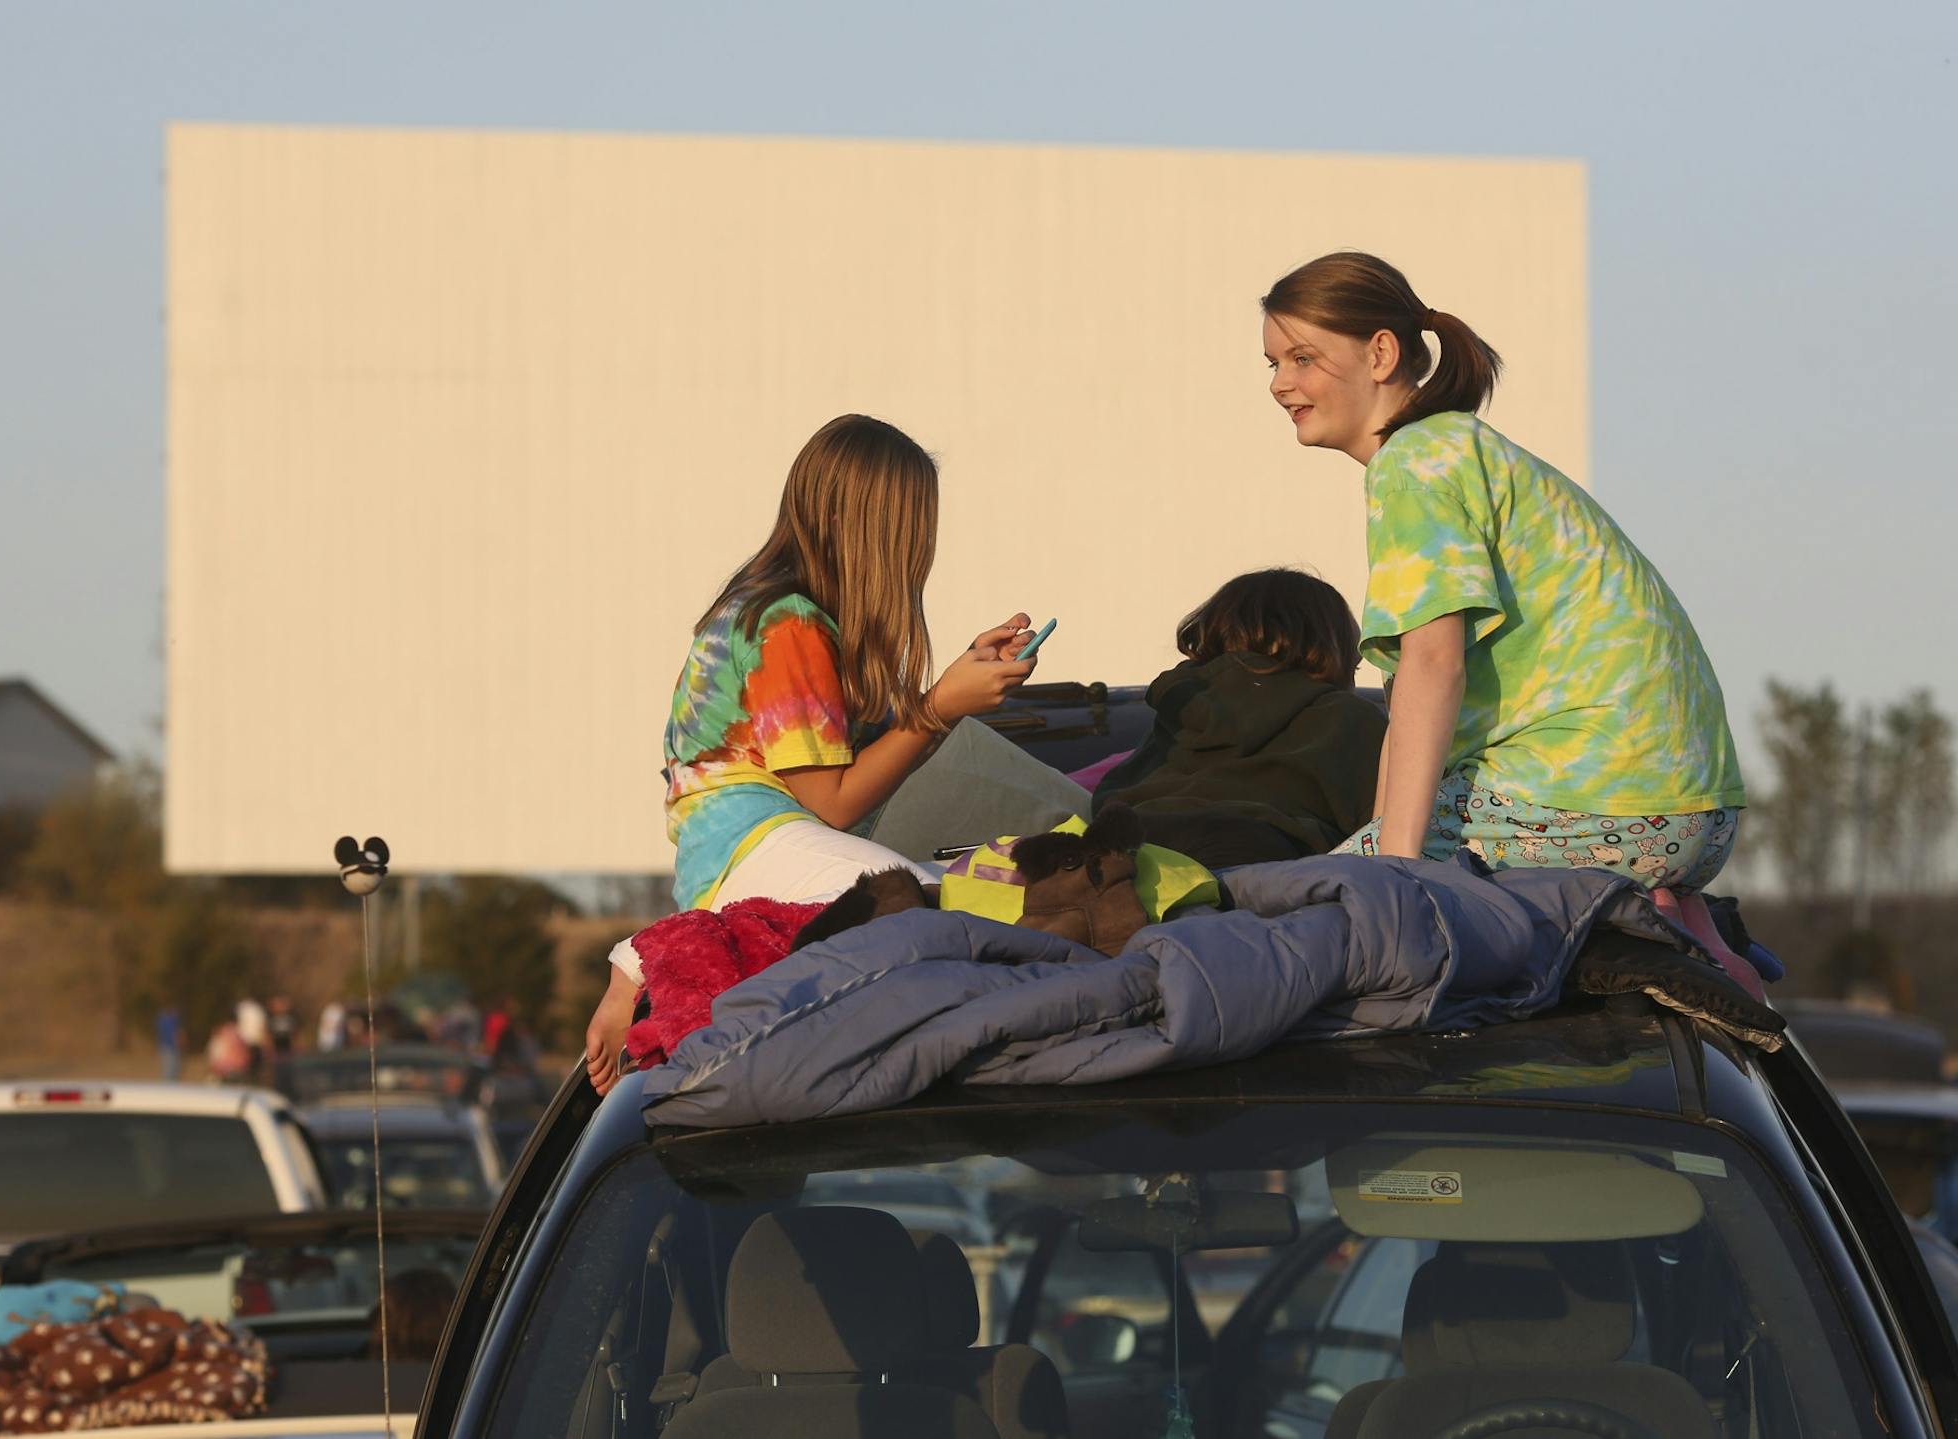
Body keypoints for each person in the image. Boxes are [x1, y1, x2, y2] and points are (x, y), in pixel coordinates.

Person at [1260, 252, 1744, 898]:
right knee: (1365, 862)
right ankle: (1695, 942)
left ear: (1380, 356)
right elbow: (1410, 706)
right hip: (1696, 808)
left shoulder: (1413, 466)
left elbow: (1434, 666)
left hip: (1611, 798)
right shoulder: (1460, 449)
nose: (1279, 384)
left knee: (1315, 898)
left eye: (1301, 359)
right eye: (1273, 364)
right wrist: (1381, 840)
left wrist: (1394, 865)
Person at [583, 414, 1039, 1093]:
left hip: (748, 845)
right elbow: (832, 801)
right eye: (908, 527)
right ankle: (643, 955)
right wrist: (941, 704)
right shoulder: (787, 624)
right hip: (752, 843)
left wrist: (952, 687)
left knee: (965, 895)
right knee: (925, 904)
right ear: (859, 524)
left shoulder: (778, 613)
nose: (918, 551)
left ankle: (646, 956)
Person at [1090, 568, 1387, 867]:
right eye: (1354, 666)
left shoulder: (1179, 713)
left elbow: (1107, 796)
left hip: (1136, 848)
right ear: (1326, 650)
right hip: (1255, 852)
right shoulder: (1349, 717)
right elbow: (1394, 830)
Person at [154, 1006, 183, 1083]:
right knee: (170, 1070)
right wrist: (179, 1043)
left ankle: (169, 1085)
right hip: (170, 1048)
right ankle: (169, 1087)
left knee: (169, 1069)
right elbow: (174, 1035)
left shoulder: (161, 1020)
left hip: (165, 1047)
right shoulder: (171, 1021)